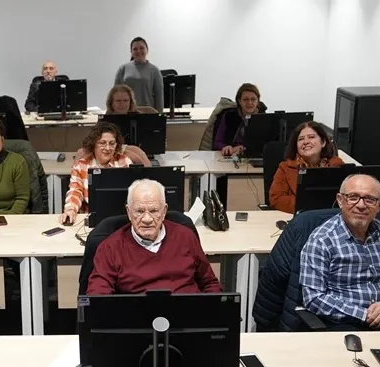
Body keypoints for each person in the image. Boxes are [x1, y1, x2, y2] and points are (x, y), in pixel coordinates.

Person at [87, 179, 222, 295]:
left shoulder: (185, 236)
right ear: (129, 212)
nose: (147, 219)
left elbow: (210, 283)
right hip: (137, 316)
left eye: (154, 211)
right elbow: (98, 297)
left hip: (187, 314)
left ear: (164, 211)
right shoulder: (110, 247)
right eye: (139, 211)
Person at [300, 174, 380, 331]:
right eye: (353, 197)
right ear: (340, 200)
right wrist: (365, 315)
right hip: (346, 324)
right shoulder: (322, 240)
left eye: (369, 199)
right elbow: (313, 298)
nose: (361, 205)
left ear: (379, 205)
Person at [59, 122, 133, 224]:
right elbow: (75, 191)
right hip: (91, 218)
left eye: (112, 143)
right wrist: (70, 209)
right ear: (93, 144)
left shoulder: (124, 162)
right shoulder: (81, 165)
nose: (108, 148)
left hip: (120, 217)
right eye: (102, 143)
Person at [269, 121, 346, 213]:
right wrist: (310, 206)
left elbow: (348, 197)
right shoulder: (285, 167)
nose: (306, 142)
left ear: (323, 142)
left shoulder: (337, 165)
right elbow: (276, 199)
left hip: (330, 216)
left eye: (311, 137)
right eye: (301, 139)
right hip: (300, 216)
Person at [213, 83, 266, 156]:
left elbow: (269, 144)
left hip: (256, 157)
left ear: (258, 101)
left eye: (253, 99)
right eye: (245, 99)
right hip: (231, 156)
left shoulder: (264, 118)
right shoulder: (228, 116)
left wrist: (244, 149)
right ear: (239, 101)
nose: (249, 102)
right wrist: (226, 147)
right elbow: (217, 142)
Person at [114, 37, 164, 112]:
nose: (138, 51)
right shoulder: (123, 69)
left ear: (147, 50)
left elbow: (159, 96)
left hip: (147, 113)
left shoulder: (155, 71)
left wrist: (159, 115)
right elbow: (115, 94)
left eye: (141, 48)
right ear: (131, 52)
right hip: (126, 112)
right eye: (135, 49)